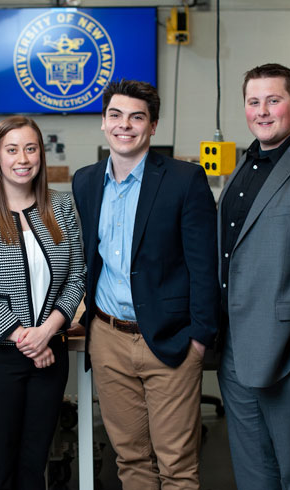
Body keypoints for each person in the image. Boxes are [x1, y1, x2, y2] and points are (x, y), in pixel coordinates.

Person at [71, 79, 220, 489]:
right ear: (103, 122)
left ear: (152, 126)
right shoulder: (85, 182)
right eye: (115, 116)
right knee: (130, 458)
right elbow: (86, 258)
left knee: (176, 465)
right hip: (108, 340)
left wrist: (199, 340)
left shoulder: (184, 179)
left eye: (137, 117)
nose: (125, 125)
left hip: (171, 340)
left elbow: (204, 266)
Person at [218, 63, 290, 489]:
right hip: (235, 346)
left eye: (274, 100)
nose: (262, 111)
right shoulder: (244, 165)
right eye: (254, 101)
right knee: (253, 473)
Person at [0, 115, 85, 490]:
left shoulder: (60, 208)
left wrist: (47, 332)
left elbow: (77, 276)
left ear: (40, 155)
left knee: (34, 465)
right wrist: (26, 339)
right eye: (12, 150)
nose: (22, 158)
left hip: (50, 352)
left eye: (30, 148)